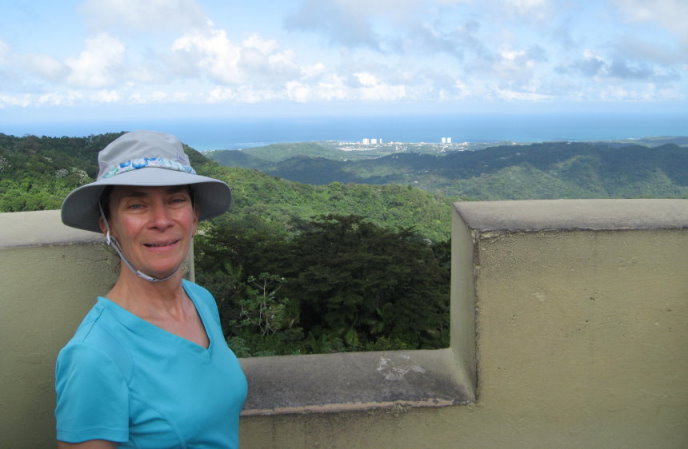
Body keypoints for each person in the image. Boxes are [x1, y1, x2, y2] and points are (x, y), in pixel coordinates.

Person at [56, 130, 247, 449]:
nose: (161, 220)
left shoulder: (200, 301)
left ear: (195, 215)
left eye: (175, 200)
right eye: (136, 205)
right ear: (109, 225)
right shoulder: (94, 355)